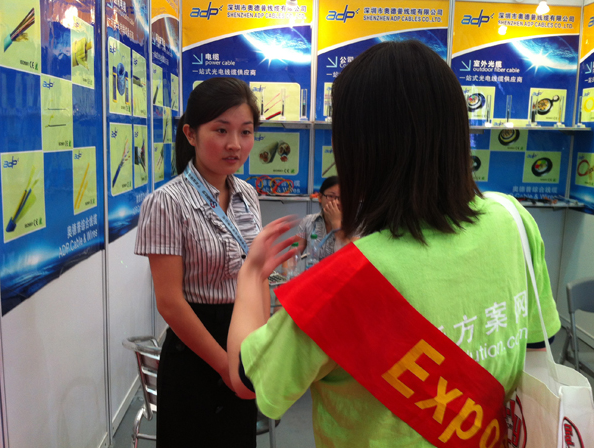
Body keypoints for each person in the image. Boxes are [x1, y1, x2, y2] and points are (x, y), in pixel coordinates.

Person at [227, 41, 561, 447]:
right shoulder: (512, 219)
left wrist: (251, 274)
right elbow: (538, 343)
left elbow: (247, 379)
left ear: (359, 149)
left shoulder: (342, 282)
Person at [135, 77, 263, 447]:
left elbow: (254, 275)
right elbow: (170, 302)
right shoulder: (166, 202)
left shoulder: (248, 195)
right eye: (221, 130)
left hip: (243, 342)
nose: (235, 144)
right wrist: (225, 366)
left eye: (245, 131)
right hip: (194, 351)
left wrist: (259, 347)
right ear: (190, 134)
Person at [296, 176, 356, 260]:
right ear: (320, 197)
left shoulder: (355, 224)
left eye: (341, 197)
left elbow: (352, 257)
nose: (336, 202)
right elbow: (292, 255)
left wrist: (336, 223)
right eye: (331, 196)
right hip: (314, 268)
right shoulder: (308, 221)